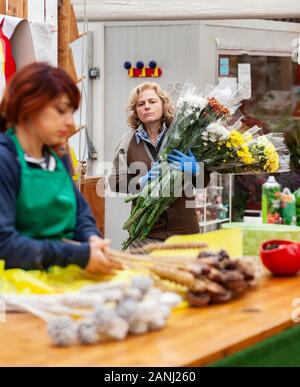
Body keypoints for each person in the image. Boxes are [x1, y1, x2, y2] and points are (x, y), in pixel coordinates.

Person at [0, 62, 120, 273]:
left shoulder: (58, 158)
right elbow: (5, 246)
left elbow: (80, 214)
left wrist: (91, 239)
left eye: (71, 112)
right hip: (15, 291)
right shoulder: (5, 159)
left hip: (58, 279)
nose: (70, 122)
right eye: (61, 111)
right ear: (29, 107)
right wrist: (78, 255)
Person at [109, 82, 210, 249]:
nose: (147, 107)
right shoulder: (127, 142)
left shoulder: (185, 135)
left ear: (163, 104)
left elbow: (203, 181)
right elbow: (114, 181)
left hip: (184, 233)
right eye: (141, 104)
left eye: (152, 101)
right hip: (145, 235)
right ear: (136, 111)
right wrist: (142, 181)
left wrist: (196, 168)